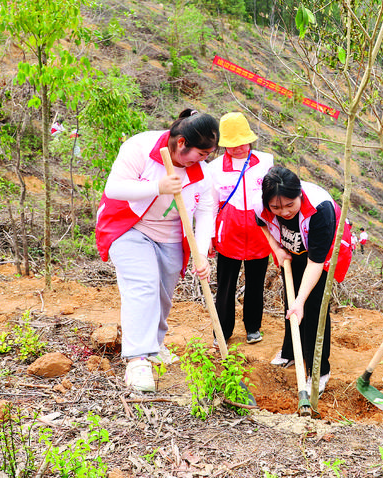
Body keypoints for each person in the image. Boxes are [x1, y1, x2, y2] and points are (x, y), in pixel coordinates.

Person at [95, 109, 219, 392]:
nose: (204, 160)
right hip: (130, 227)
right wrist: (157, 187)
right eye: (201, 154)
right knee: (144, 285)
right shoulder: (140, 147)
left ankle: (154, 345)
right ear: (181, 143)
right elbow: (114, 188)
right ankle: (137, 359)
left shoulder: (203, 173)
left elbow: (206, 210)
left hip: (171, 236)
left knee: (163, 294)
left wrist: (200, 252)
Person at [255, 166, 352, 395]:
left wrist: (300, 300)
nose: (284, 212)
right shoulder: (259, 204)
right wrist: (277, 250)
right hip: (293, 249)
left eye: (290, 205)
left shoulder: (320, 210)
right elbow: (262, 225)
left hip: (322, 254)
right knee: (292, 305)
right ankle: (290, 353)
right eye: (276, 208)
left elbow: (316, 263)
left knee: (314, 307)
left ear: (299, 194)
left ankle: (319, 372)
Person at [209, 112, 273, 346]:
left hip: (259, 231)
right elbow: (211, 204)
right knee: (226, 284)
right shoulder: (214, 168)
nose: (238, 148)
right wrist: (209, 237)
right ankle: (222, 332)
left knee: (256, 282)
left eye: (242, 142)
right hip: (229, 233)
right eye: (231, 144)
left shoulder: (266, 161)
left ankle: (253, 327)